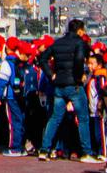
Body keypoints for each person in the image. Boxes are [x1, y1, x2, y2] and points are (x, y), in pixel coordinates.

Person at [38, 20, 94, 161]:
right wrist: (78, 75)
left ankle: (44, 149)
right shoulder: (79, 43)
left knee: (55, 118)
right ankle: (86, 152)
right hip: (73, 84)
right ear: (80, 30)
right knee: (83, 118)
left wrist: (51, 75)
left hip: (59, 84)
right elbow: (80, 59)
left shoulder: (57, 43)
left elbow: (42, 58)